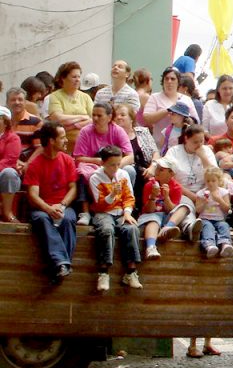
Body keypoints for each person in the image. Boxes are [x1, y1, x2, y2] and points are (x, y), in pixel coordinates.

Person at [22, 124, 78, 282]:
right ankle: (62, 263)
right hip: (42, 208)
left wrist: (62, 205)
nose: (66, 140)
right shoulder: (36, 164)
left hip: (63, 205)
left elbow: (73, 188)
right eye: (62, 137)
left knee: (68, 219)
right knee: (42, 219)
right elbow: (33, 195)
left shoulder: (67, 160)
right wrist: (48, 209)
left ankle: (61, 265)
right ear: (52, 141)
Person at [89, 145, 142, 292]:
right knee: (106, 230)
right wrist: (112, 195)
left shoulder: (123, 175)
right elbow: (99, 205)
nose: (116, 168)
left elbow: (129, 197)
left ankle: (131, 272)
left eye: (118, 164)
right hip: (104, 212)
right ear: (103, 163)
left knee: (131, 228)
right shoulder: (95, 178)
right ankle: (103, 272)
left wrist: (127, 212)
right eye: (112, 165)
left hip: (120, 212)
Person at [143, 67, 198, 152]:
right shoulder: (155, 97)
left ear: (178, 81)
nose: (169, 82)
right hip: (160, 146)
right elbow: (147, 118)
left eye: (173, 79)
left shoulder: (186, 99)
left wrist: (183, 118)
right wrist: (168, 110)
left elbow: (196, 122)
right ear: (163, 81)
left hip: (184, 147)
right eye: (167, 79)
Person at [137, 156, 182, 258]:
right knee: (154, 221)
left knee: (184, 208)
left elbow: (172, 209)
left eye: (161, 170)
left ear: (171, 174)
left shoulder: (176, 187)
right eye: (157, 168)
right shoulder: (150, 185)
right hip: (152, 215)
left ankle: (168, 227)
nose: (157, 171)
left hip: (167, 216)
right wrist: (153, 197)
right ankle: (151, 247)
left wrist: (166, 197)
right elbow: (148, 210)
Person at [46, 61, 94, 154]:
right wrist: (82, 117)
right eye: (74, 77)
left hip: (86, 144)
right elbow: (57, 119)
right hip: (63, 146)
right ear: (63, 78)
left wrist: (74, 125)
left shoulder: (85, 97)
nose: (77, 80)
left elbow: (94, 119)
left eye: (79, 77)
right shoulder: (55, 96)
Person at [195, 166, 233, 258]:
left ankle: (225, 243)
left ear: (218, 181)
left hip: (219, 219)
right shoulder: (201, 193)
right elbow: (198, 210)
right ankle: (209, 245)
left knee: (224, 226)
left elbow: (227, 209)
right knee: (207, 226)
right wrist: (204, 202)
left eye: (213, 181)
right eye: (208, 181)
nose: (210, 183)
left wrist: (219, 200)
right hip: (205, 218)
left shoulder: (223, 192)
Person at [0, 106, 24, 221]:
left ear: (5, 122)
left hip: (4, 175)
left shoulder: (13, 138)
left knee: (9, 173)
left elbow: (9, 160)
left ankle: (7, 212)